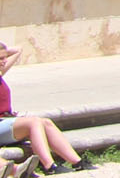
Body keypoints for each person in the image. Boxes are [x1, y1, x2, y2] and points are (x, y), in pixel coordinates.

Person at [0, 42, 89, 174]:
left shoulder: (0, 72)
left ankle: (77, 161)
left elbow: (18, 49)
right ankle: (49, 166)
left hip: (7, 121)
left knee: (45, 122)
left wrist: (4, 51)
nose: (5, 61)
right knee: (34, 121)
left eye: (5, 57)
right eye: (1, 58)